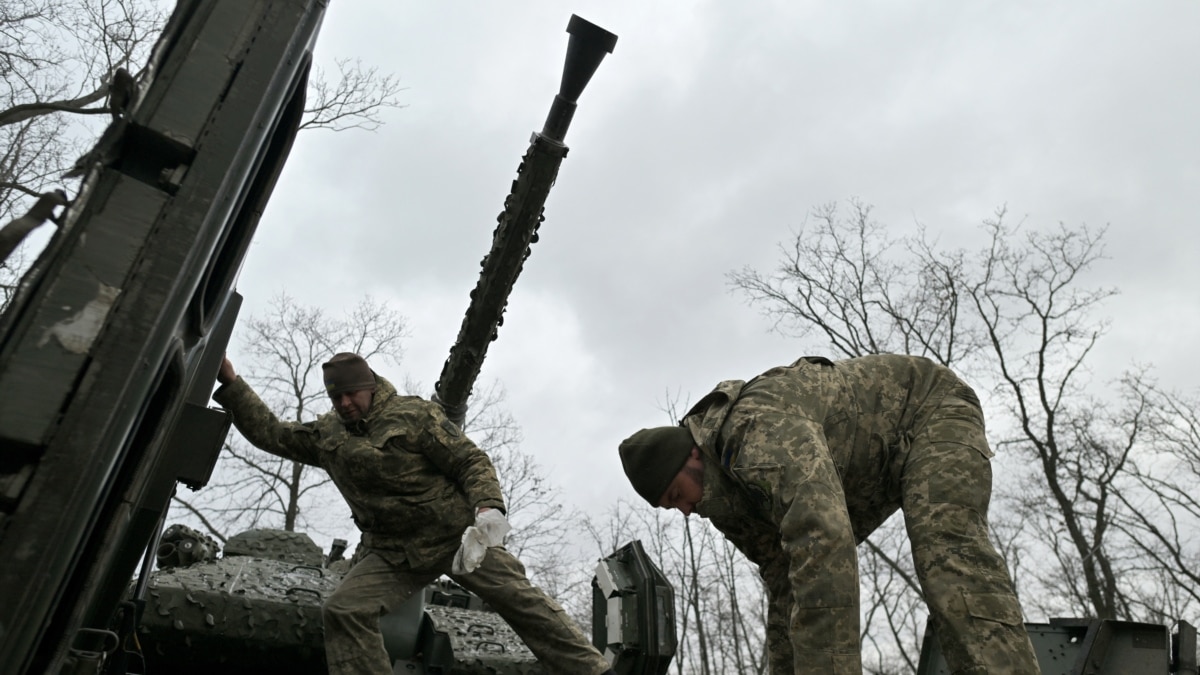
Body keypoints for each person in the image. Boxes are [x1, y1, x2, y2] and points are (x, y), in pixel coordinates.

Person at [618, 353, 1040, 675]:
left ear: (693, 455)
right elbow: (786, 581)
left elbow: (825, 546)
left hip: (931, 411)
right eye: (672, 508)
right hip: (874, 468)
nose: (687, 510)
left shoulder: (756, 434)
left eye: (678, 494)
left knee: (947, 558)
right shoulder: (724, 499)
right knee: (799, 574)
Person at [214, 352, 613, 675]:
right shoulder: (327, 435)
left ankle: (594, 671)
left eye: (352, 394)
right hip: (392, 553)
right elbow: (273, 434)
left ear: (369, 386)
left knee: (523, 602)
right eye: (337, 398)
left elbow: (469, 461)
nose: (345, 403)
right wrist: (230, 383)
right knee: (344, 610)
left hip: (455, 538)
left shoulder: (414, 416)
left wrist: (487, 505)